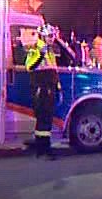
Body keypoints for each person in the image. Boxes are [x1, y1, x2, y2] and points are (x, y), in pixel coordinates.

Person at [24, 24, 72, 159]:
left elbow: (53, 70)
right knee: (43, 119)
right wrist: (40, 55)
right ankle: (44, 148)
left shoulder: (49, 50)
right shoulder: (36, 49)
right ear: (43, 36)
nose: (52, 39)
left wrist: (58, 87)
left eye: (52, 36)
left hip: (49, 88)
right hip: (41, 89)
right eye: (49, 36)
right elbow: (29, 66)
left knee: (47, 119)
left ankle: (42, 147)